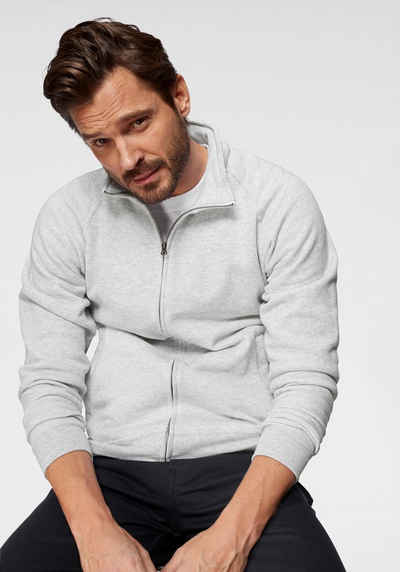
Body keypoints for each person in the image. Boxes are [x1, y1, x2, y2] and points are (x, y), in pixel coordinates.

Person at [0, 17, 347, 572]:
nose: (126, 159)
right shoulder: (70, 216)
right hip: (111, 474)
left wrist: (231, 537)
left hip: (243, 469)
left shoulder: (275, 202)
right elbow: (49, 382)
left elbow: (307, 380)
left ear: (179, 96)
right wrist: (94, 532)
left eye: (138, 123)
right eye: (100, 142)